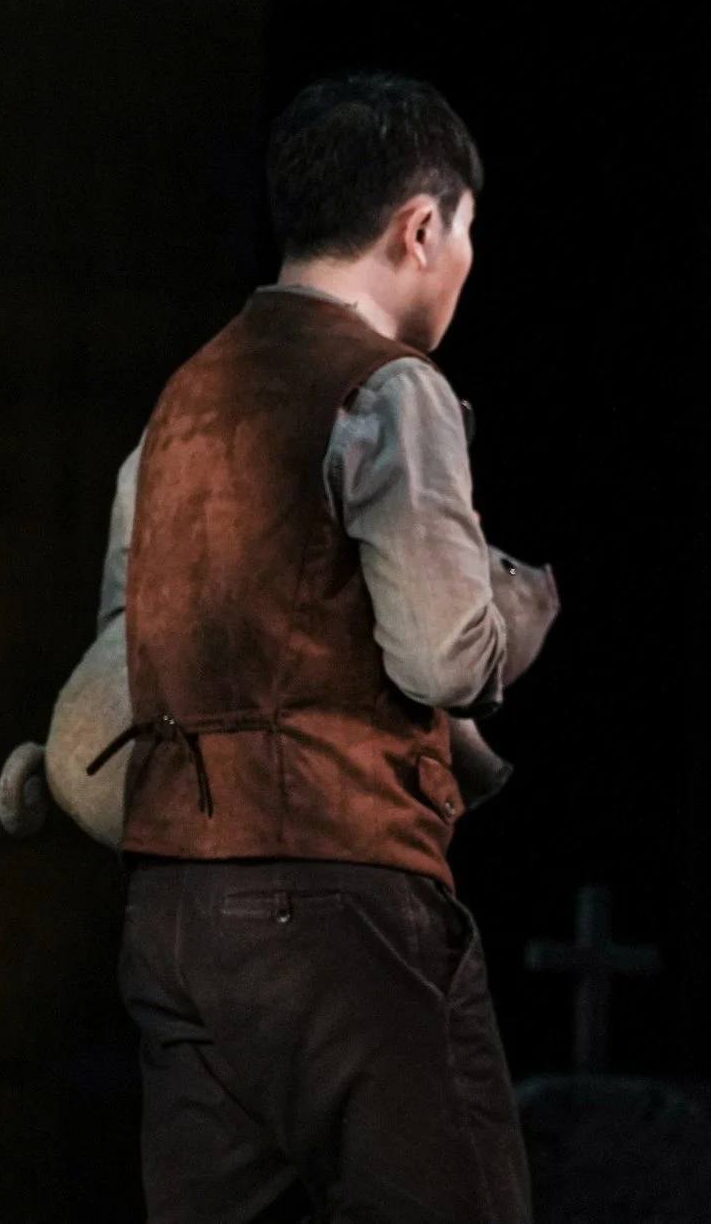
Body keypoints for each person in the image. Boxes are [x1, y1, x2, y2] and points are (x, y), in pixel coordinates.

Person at [107, 70, 559, 1224]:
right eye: (465, 230)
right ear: (420, 225)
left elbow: (127, 637)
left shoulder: (183, 397)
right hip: (337, 898)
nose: (465, 260)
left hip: (171, 908)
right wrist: (522, 599)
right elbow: (445, 656)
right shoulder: (387, 387)